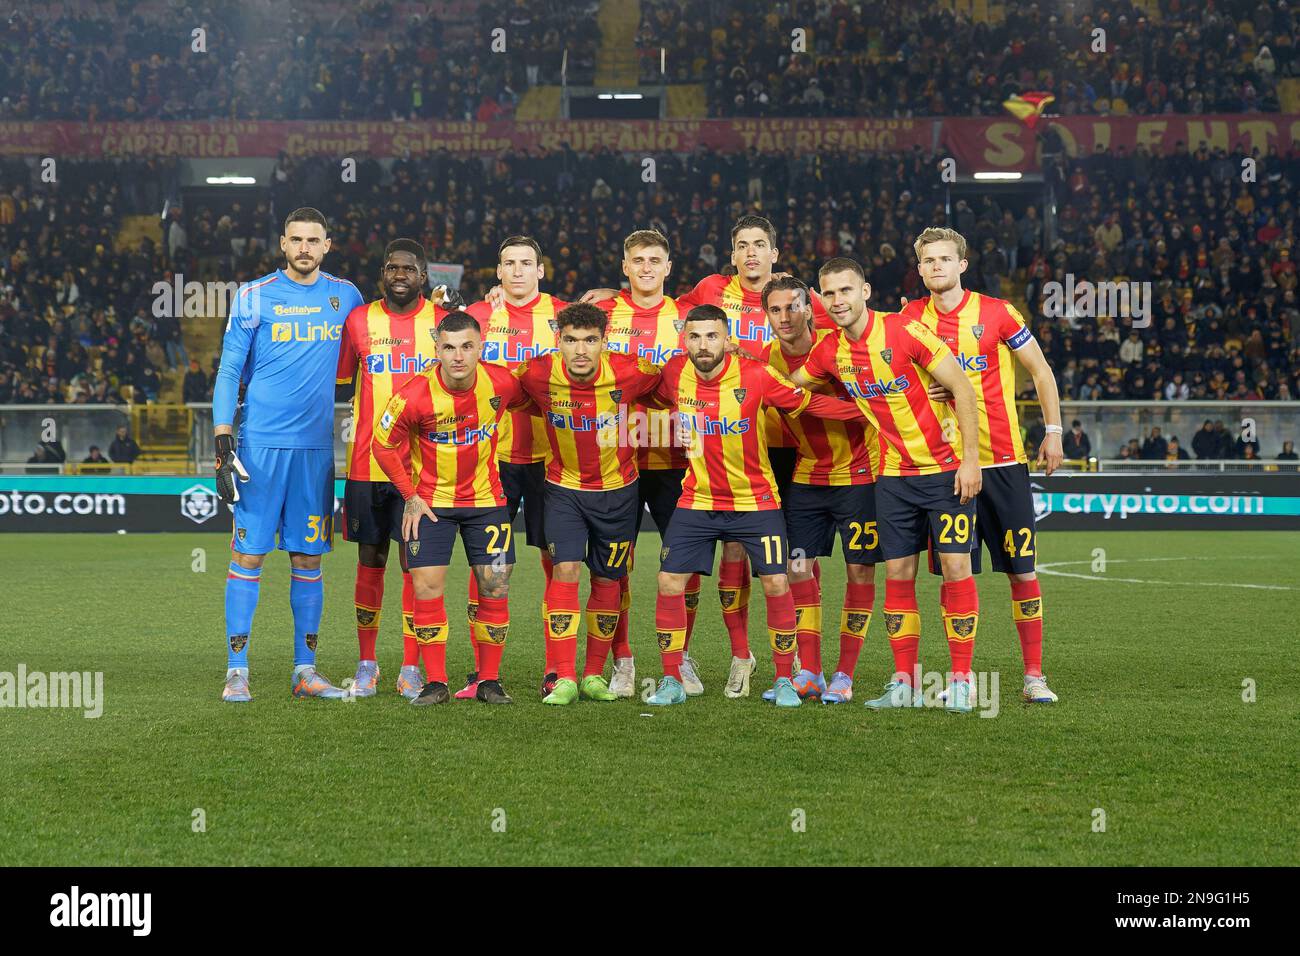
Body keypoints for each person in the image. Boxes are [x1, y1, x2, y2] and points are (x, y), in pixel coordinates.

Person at [787, 257, 985, 712]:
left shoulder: (903, 330)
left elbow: (964, 389)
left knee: (956, 570)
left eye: (846, 291)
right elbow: (790, 386)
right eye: (830, 294)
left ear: (865, 291)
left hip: (944, 471)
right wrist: (746, 367)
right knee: (898, 574)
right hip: (892, 478)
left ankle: (961, 680)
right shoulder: (830, 352)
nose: (838, 301)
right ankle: (905, 682)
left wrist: (971, 461)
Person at [644, 303, 867, 707]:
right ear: (684, 339)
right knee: (667, 582)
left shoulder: (755, 375)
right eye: (695, 336)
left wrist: (866, 410)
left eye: (712, 335)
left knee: (777, 582)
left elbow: (808, 403)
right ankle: (672, 679)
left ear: (727, 338)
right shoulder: (674, 374)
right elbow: (638, 389)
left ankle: (784, 680)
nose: (703, 344)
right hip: (697, 501)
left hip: (756, 501)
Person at [903, 227, 1063, 705]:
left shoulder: (996, 312)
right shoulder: (911, 318)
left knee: (1022, 571)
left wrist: (1053, 433)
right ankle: (961, 677)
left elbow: (1040, 370)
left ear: (962, 265)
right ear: (920, 269)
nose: (936, 267)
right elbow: (888, 372)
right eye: (928, 261)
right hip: (942, 467)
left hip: (1003, 461)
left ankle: (1033, 674)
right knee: (956, 572)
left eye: (944, 259)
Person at [212, 207, 365, 703]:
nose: (304, 248)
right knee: (248, 554)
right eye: (295, 239)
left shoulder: (347, 298)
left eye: (313, 240)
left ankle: (305, 670)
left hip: (316, 452)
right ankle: (237, 669)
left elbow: (391, 341)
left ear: (327, 245)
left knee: (308, 557)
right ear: (283, 243)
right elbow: (229, 369)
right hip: (258, 449)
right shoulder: (253, 296)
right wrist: (221, 438)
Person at [370, 310, 523, 706]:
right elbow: (382, 444)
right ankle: (435, 682)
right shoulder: (413, 394)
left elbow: (533, 401)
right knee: (426, 588)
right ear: (436, 348)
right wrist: (409, 495)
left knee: (494, 586)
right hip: (431, 505)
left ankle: (489, 680)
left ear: (480, 348)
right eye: (449, 347)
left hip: (487, 502)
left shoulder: (502, 382)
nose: (458, 356)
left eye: (467, 347)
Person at [514, 303, 664, 705]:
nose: (581, 350)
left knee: (607, 579)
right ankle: (564, 677)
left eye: (590, 340)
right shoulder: (536, 373)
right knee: (564, 570)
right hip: (562, 490)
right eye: (571, 340)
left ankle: (594, 675)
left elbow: (677, 380)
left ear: (605, 341)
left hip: (619, 493)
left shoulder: (632, 371)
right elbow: (497, 386)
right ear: (557, 340)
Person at [759, 274, 880, 704]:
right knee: (796, 569)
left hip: (859, 477)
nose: (786, 316)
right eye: (776, 309)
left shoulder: (839, 347)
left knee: (859, 570)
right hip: (806, 479)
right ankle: (809, 671)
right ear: (766, 315)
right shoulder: (763, 360)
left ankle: (844, 674)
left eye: (794, 306)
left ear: (810, 308)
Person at [335, 239, 445, 699]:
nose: (400, 274)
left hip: (421, 470)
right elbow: (343, 384)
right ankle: (367, 663)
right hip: (365, 465)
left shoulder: (440, 323)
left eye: (410, 269)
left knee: (413, 565)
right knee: (370, 560)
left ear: (424, 276)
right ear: (383, 273)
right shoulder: (358, 320)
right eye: (392, 267)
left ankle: (411, 665)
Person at [464, 236, 569, 699]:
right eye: (510, 264)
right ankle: (483, 671)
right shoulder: (479, 317)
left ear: (541, 270)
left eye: (527, 263)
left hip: (552, 460)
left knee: (556, 563)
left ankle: (555, 670)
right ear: (498, 271)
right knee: (490, 566)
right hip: (491, 460)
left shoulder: (564, 316)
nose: (519, 271)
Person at [593, 229, 693, 698]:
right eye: (638, 260)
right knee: (617, 563)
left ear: (668, 267)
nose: (647, 267)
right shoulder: (604, 315)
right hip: (619, 455)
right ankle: (623, 659)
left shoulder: (688, 316)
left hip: (678, 457)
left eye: (656, 259)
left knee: (685, 562)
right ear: (625, 267)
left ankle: (682, 656)